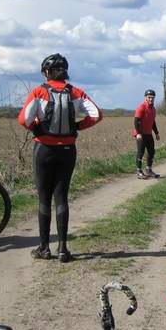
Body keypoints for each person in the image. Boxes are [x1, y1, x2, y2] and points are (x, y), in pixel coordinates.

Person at [18, 54, 102, 262]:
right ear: (64, 71)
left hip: (44, 149)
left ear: (46, 72)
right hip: (68, 150)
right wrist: (77, 127)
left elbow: (23, 119)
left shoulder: (39, 91)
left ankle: (44, 248)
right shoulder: (76, 92)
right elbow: (97, 115)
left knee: (44, 199)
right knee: (62, 198)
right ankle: (63, 250)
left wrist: (36, 126)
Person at [133, 89, 161, 179]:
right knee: (140, 152)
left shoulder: (153, 109)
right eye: (149, 97)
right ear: (145, 98)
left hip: (148, 134)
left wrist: (156, 133)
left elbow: (153, 122)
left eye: (152, 98)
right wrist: (138, 133)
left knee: (151, 152)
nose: (151, 99)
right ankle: (139, 171)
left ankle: (149, 170)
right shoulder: (141, 107)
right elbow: (136, 121)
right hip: (141, 134)